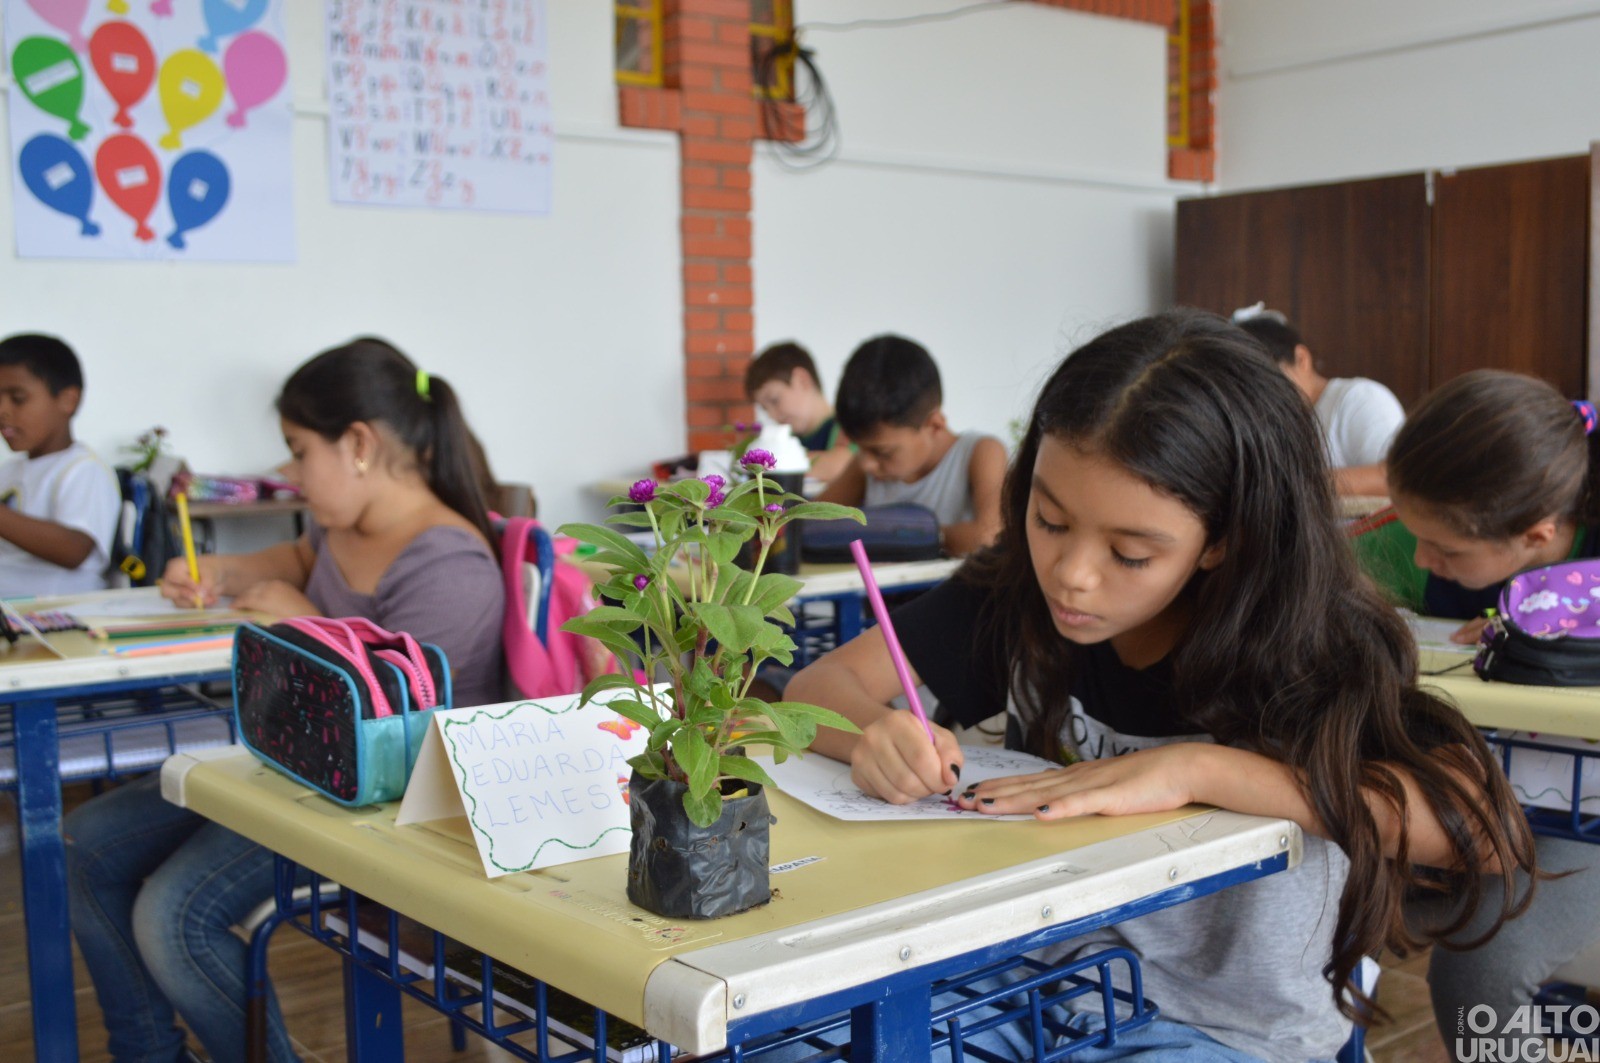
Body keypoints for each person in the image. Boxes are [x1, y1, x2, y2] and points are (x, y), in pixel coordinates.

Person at [789, 310, 1535, 1061]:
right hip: (1020, 985)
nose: (1072, 574)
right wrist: (874, 735)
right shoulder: (1014, 593)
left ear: (1222, 540)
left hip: (1216, 1026)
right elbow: (823, 683)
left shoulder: (1307, 643)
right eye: (1049, 520)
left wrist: (1196, 770)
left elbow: (1483, 831)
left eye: (1131, 553)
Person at [64, 338, 506, 1063]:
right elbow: (295, 560)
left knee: (174, 917)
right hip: (302, 765)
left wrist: (302, 623)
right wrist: (220, 572)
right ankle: (147, 1054)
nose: (290, 473)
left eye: (299, 451)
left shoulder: (447, 561)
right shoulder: (343, 527)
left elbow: (400, 723)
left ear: (358, 445)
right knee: (83, 843)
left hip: (385, 799)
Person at [1352, 368, 1600, 1062]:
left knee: (1482, 963)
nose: (1420, 556)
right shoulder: (1422, 536)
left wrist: (1529, 624)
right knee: (1316, 893)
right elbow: (1324, 583)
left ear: (1538, 534)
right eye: (1412, 530)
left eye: (1447, 551)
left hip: (1578, 819)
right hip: (1468, 795)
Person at [817, 334, 1006, 557]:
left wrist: (899, 534)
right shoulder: (866, 468)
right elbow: (809, 519)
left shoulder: (980, 453)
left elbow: (989, 536)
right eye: (859, 448)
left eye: (882, 452)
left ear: (934, 425)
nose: (867, 464)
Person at [1233, 305, 1404, 498]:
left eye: (1268, 381)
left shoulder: (1359, 398)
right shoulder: (1268, 423)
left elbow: (1396, 478)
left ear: (1301, 359)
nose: (1262, 396)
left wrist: (1292, 485)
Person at [0, 333, 120, 596]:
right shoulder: (9, 470)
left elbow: (74, 550)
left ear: (68, 400)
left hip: (58, 611)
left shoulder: (83, 469)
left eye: (17, 398)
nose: (2, 411)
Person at [744, 341, 854, 484]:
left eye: (774, 400)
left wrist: (771, 463)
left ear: (802, 380)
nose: (772, 415)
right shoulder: (788, 440)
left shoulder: (849, 424)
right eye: (765, 409)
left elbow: (843, 464)